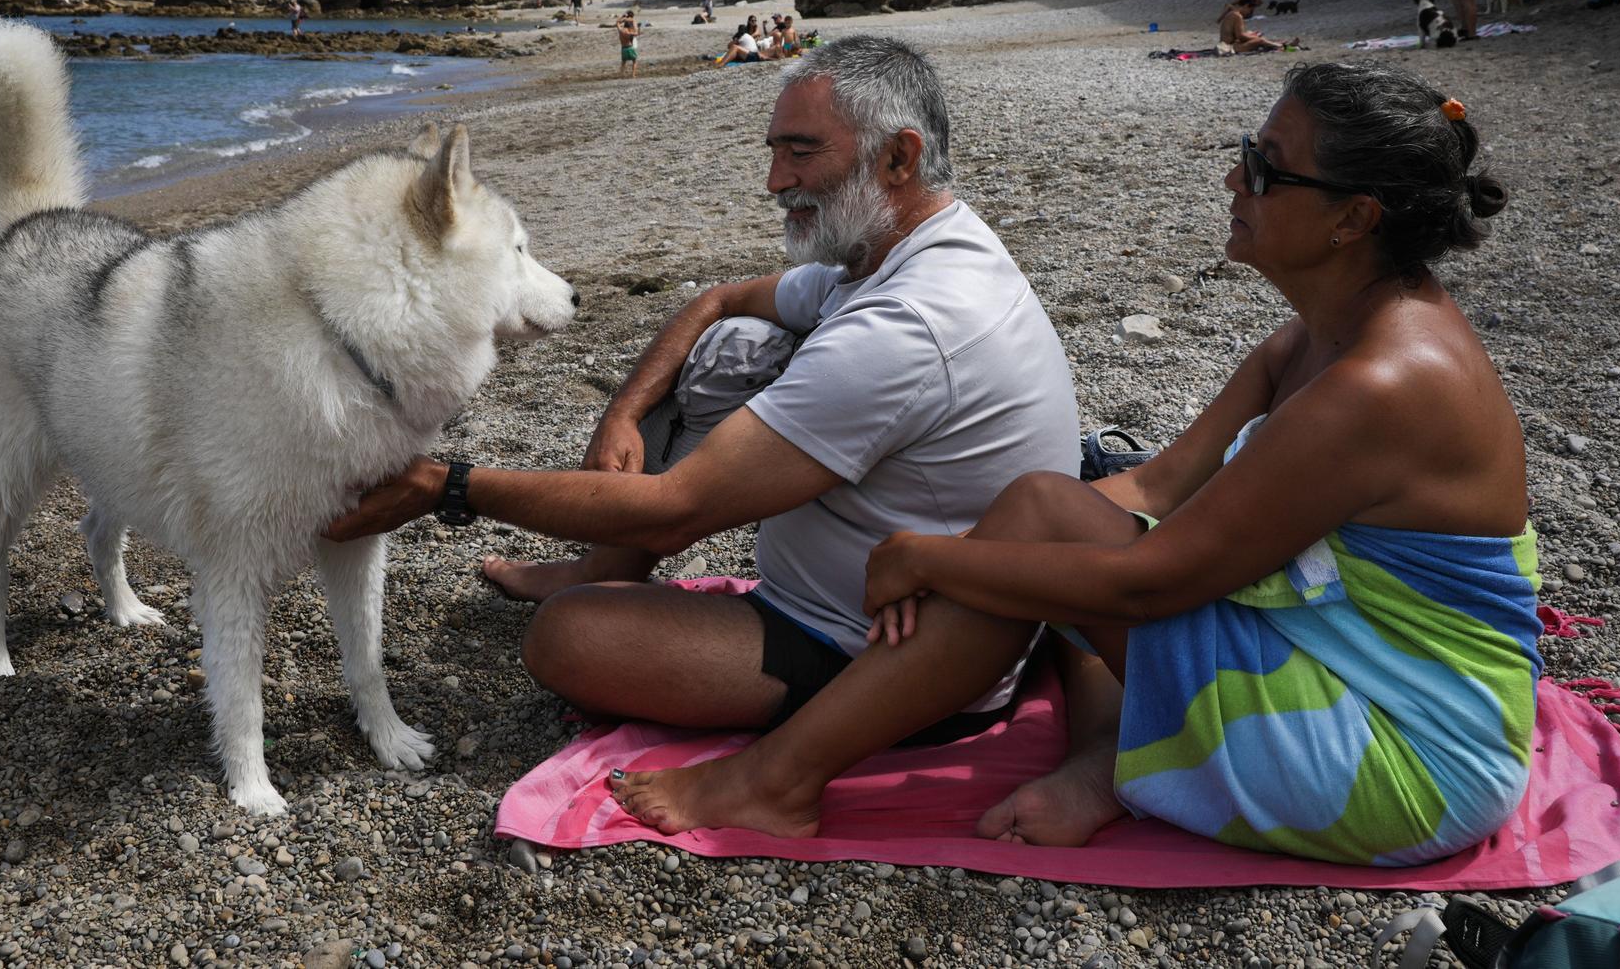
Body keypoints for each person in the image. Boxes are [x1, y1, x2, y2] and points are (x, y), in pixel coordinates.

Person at [606, 63, 1535, 868]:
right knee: (1044, 512)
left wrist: (932, 559)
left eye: (1263, 168)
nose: (1231, 178)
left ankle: (779, 776)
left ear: (1353, 220)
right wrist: (983, 546)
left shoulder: (1380, 384)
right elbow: (1154, 489)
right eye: (1245, 150)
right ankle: (1101, 760)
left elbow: (1148, 580)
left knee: (1042, 527)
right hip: (1342, 658)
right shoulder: (1314, 340)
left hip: (1403, 751)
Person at [324, 36, 1079, 755]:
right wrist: (623, 413)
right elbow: (720, 300)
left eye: (801, 151)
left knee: (567, 638)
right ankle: (600, 566)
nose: (775, 180)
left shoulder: (908, 324)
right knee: (721, 347)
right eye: (774, 151)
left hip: (889, 658)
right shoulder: (907, 250)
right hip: (871, 593)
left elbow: (680, 506)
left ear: (897, 157)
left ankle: (620, 603)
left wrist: (445, 486)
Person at [1217, 1, 1296, 54]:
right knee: (1260, 40)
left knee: (1252, 33)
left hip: (1229, 44)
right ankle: (1284, 47)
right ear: (1246, 6)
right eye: (1250, 10)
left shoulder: (1233, 14)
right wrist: (1254, 37)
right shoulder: (1237, 16)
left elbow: (1237, 35)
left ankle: (1281, 44)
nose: (1250, 13)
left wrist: (1251, 34)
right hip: (1228, 47)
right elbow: (1240, 36)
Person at [617, 11, 643, 76]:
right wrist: (639, 27)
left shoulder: (620, 30)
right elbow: (638, 34)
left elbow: (617, 22)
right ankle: (633, 74)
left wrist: (623, 16)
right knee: (634, 61)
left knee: (623, 62)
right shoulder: (629, 33)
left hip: (623, 48)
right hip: (630, 47)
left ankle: (621, 74)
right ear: (629, 26)